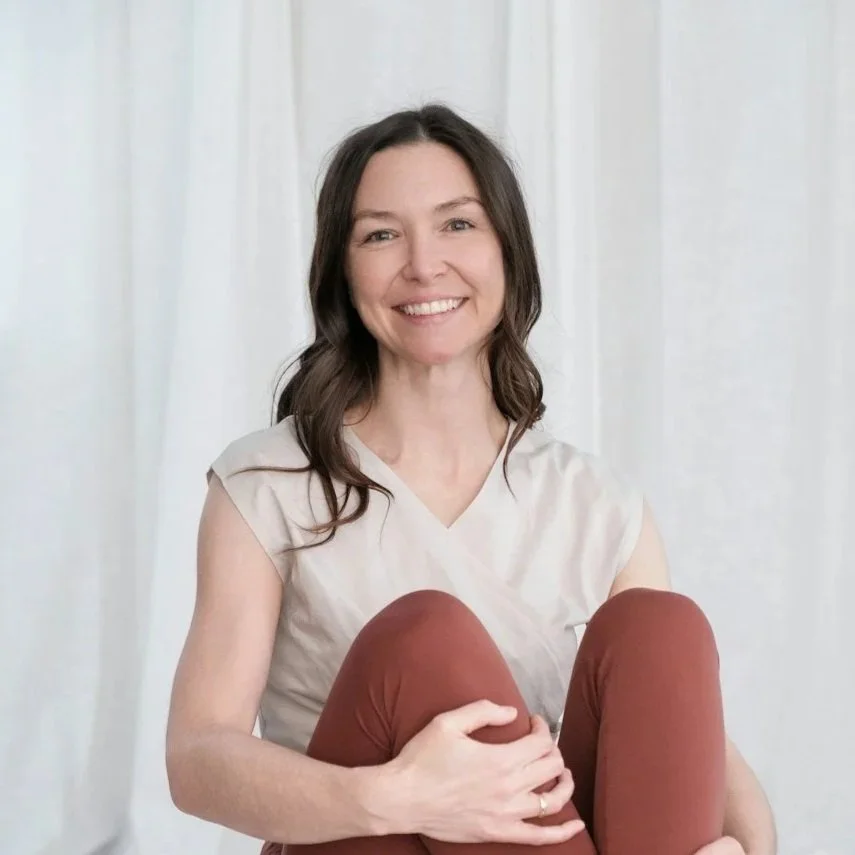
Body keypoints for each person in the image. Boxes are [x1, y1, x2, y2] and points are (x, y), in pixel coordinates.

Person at [166, 104, 776, 855]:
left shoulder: (595, 503)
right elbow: (195, 758)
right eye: (381, 234)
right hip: (361, 839)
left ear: (506, 252)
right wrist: (393, 795)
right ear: (341, 269)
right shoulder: (264, 485)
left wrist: (751, 847)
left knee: (663, 625)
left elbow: (693, 737)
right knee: (425, 637)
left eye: (457, 224)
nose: (423, 264)